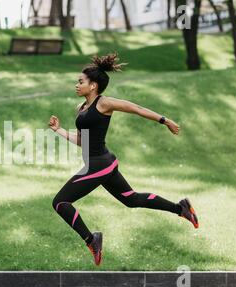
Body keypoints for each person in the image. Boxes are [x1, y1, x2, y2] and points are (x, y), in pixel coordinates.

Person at [48, 53, 199, 266]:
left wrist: (164, 120)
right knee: (132, 199)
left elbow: (135, 108)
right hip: (102, 164)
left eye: (80, 81)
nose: (76, 85)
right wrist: (59, 130)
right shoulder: (81, 109)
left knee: (60, 202)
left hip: (100, 165)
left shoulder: (104, 103)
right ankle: (180, 208)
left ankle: (92, 240)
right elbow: (83, 141)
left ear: (93, 86)